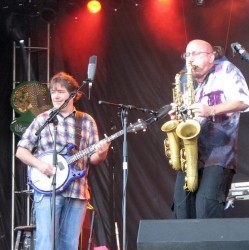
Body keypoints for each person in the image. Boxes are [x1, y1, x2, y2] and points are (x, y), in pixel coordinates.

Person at [16, 72, 111, 249]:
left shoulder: (86, 121)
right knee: (46, 242)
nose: (56, 96)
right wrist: (41, 165)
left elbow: (94, 158)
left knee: (70, 244)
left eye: (61, 92)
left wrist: (102, 152)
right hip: (47, 190)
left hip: (77, 190)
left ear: (73, 95)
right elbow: (21, 151)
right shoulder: (42, 119)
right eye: (53, 92)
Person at [169, 39, 249, 219]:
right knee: (182, 210)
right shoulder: (185, 80)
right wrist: (177, 117)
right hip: (190, 156)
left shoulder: (226, 70)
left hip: (218, 155)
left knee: (206, 209)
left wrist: (210, 110)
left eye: (195, 54)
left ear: (211, 57)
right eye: (187, 55)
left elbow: (243, 101)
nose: (189, 59)